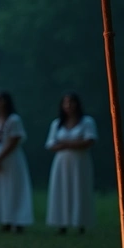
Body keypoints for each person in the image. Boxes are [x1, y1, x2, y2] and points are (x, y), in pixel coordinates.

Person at [0, 90, 34, 232]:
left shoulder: (14, 120)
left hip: (11, 158)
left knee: (14, 189)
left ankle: (18, 220)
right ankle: (4, 220)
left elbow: (14, 140)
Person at [45, 92, 97, 234]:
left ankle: (80, 222)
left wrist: (65, 143)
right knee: (61, 189)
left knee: (79, 190)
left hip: (79, 162)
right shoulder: (57, 124)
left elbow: (88, 141)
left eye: (71, 102)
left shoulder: (86, 122)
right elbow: (51, 144)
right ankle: (61, 223)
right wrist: (71, 143)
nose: (68, 106)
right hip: (61, 162)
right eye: (65, 103)